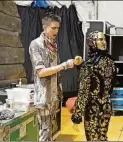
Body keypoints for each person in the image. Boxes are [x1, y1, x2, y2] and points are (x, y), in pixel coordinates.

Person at [29, 13, 77, 141]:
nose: (56, 31)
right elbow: (41, 72)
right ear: (44, 27)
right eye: (53, 28)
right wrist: (64, 65)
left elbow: (54, 72)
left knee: (50, 132)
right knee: (44, 134)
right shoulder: (36, 45)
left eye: (58, 28)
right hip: (44, 97)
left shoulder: (53, 45)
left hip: (54, 96)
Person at [71, 31, 116, 141]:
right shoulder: (110, 61)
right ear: (92, 42)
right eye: (100, 39)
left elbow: (83, 92)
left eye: (103, 39)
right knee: (103, 137)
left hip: (93, 109)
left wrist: (76, 116)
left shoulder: (89, 65)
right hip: (106, 106)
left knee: (93, 138)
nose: (104, 42)